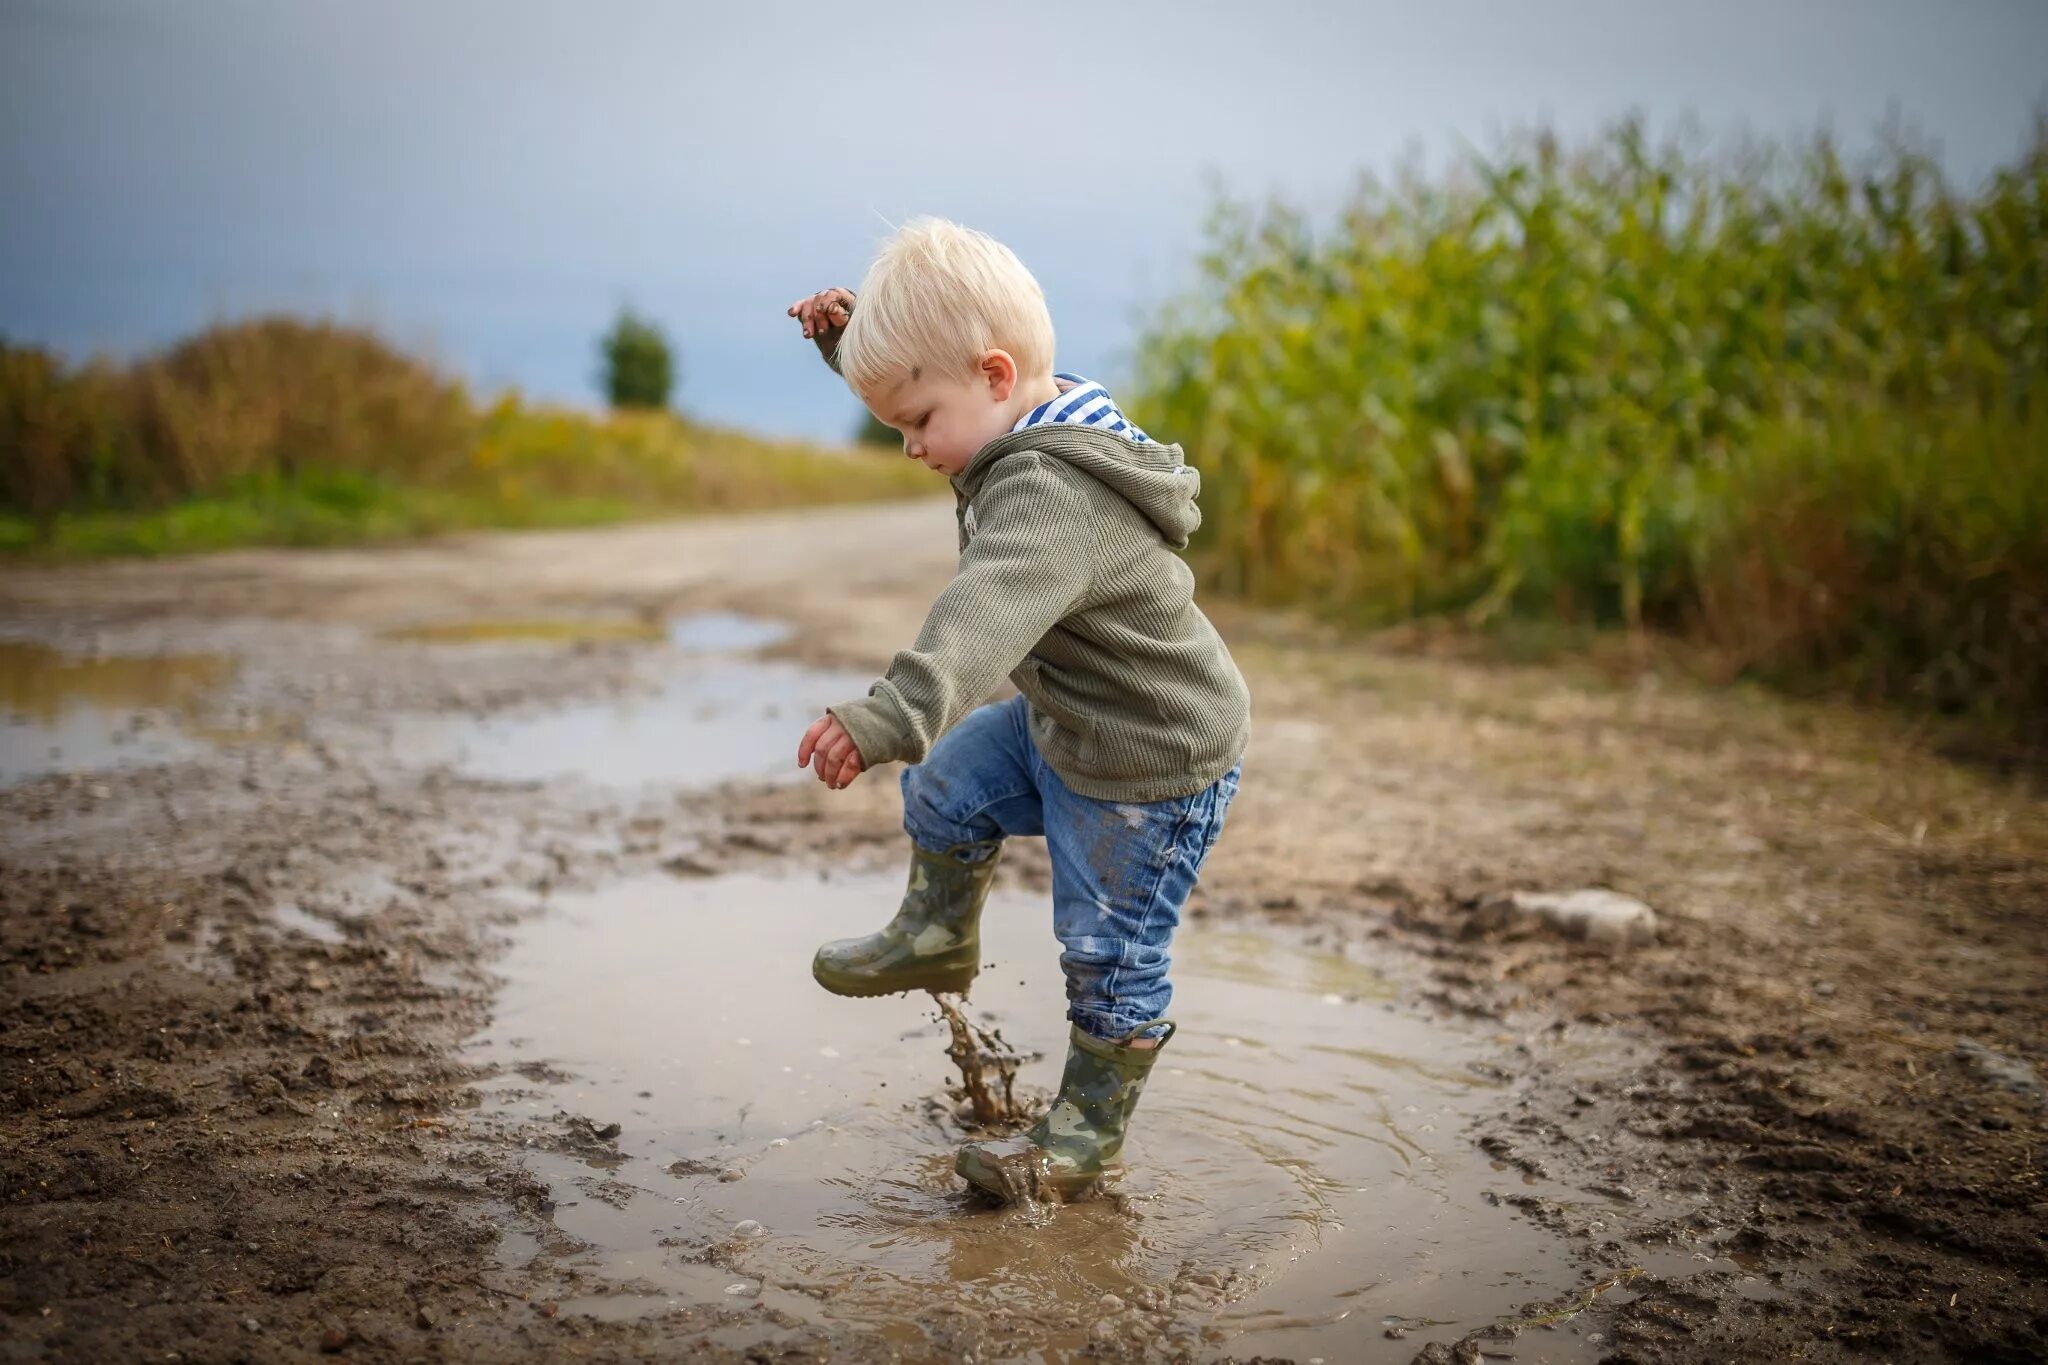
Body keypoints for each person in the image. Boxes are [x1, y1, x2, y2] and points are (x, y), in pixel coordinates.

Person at [786, 218, 1250, 1202]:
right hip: (1065, 723)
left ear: (997, 377)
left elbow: (977, 621)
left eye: (916, 423)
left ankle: (1085, 1130)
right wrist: (850, 341)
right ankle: (937, 934)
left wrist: (883, 717)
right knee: (949, 785)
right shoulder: (1032, 411)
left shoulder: (1049, 493)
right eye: (898, 427)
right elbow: (943, 370)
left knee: (1107, 951)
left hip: (1148, 768)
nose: (913, 448)